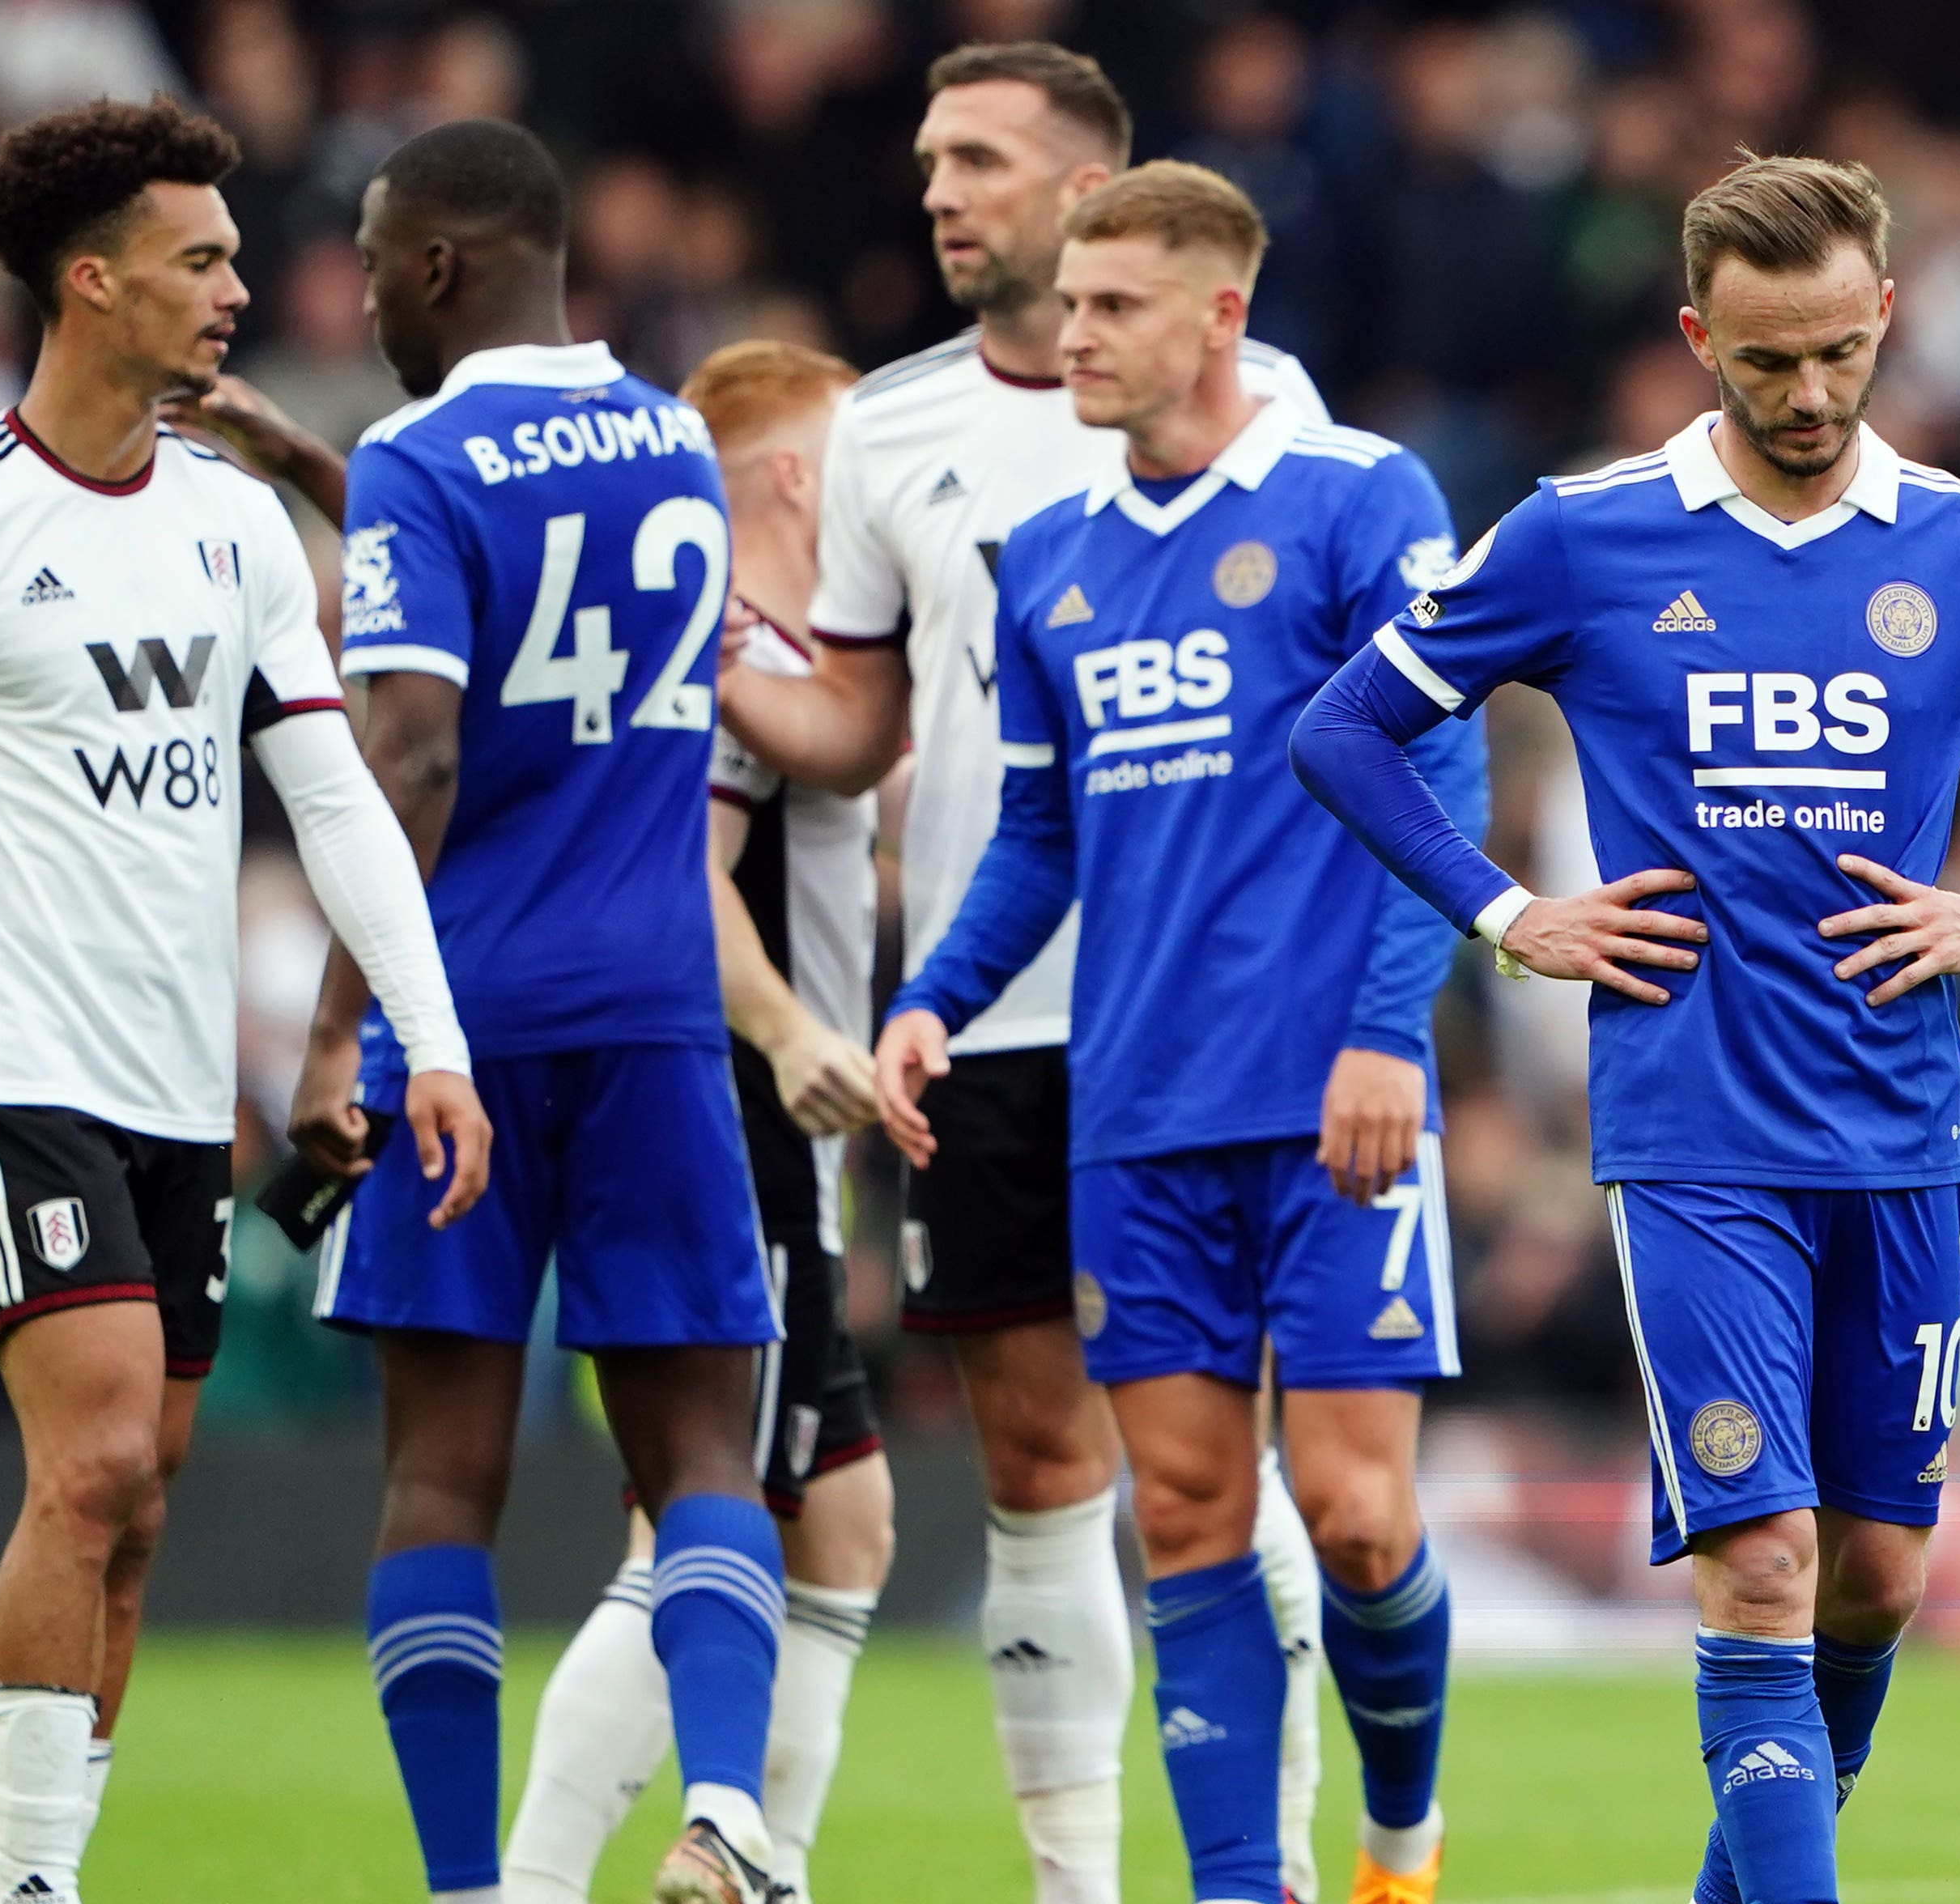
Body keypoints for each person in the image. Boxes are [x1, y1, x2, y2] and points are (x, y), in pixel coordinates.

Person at [1290, 153, 1960, 1904]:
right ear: (1698, 335)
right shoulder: (1582, 534)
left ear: (1884, 319)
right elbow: (1346, 732)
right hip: (1694, 1126)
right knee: (1768, 1568)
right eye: (1764, 361)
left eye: (1837, 357)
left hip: (1903, 1126)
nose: (1806, 398)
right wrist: (1508, 915)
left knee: (1877, 1576)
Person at [713, 42, 1333, 1904]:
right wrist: (688, 654)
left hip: (1207, 1006)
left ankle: (1278, 1865)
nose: (937, 189)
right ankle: (1079, 1884)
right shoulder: (884, 428)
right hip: (984, 1012)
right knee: (1035, 1456)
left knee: (1217, 1454)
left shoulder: (1274, 406)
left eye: (977, 157)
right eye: (927, 157)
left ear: (1086, 190)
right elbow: (851, 727)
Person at [0, 97, 486, 1904]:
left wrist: (424, 1039)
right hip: (8, 1062)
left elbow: (335, 790)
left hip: (173, 1087)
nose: (236, 287)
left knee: (139, 1501)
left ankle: (41, 1857)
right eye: (200, 257)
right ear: (93, 279)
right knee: (101, 1455)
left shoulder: (225, 526)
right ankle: (25, 1885)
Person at [875, 161, 1486, 1904]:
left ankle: (1398, 1838)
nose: (1075, 334)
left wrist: (1388, 1033)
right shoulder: (1053, 559)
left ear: (1222, 313)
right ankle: (1241, 1887)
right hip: (1134, 1111)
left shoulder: (1358, 497)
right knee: (1193, 1521)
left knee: (1359, 1519)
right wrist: (933, 999)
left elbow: (1436, 767)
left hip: (1331, 1101)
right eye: (1069, 302)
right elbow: (1045, 835)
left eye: (1116, 305)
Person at [288, 119, 784, 1904]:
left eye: (367, 257)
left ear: (435, 264)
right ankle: (726, 1808)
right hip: (657, 1008)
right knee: (700, 1447)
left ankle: (464, 1887)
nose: (357, 292)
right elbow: (541, 577)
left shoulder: (419, 449)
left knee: (444, 1474)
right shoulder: (679, 442)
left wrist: (333, 1030)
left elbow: (413, 743)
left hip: (466, 1024)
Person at [496, 341, 892, 1904]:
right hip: (740, 1104)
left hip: (744, 1106)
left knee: (844, 1519)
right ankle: (554, 1878)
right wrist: (793, 1029)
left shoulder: (742, 639)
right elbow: (691, 867)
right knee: (699, 1517)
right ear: (798, 475)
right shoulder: (732, 642)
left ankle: (765, 1860)